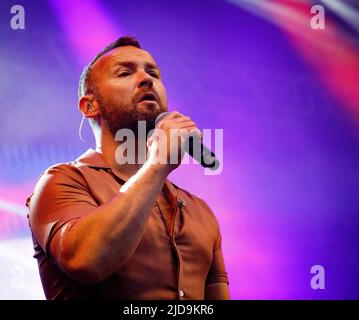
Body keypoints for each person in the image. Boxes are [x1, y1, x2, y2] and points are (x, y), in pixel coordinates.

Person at [26, 36, 230, 300]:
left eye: (153, 72)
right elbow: (86, 262)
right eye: (125, 73)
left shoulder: (200, 211)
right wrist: (157, 164)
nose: (147, 79)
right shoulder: (61, 181)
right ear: (90, 105)